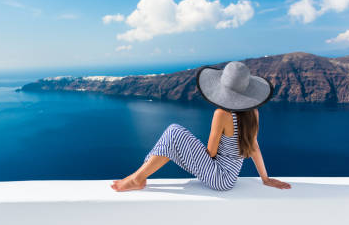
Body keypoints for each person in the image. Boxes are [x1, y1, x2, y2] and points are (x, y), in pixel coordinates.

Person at [111, 61, 291, 192]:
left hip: (218, 178)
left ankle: (137, 178)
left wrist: (184, 150)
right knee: (173, 140)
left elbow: (211, 153)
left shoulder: (222, 114)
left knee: (174, 132)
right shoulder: (253, 113)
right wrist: (265, 178)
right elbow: (254, 147)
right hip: (230, 179)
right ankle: (138, 176)